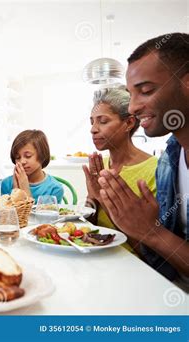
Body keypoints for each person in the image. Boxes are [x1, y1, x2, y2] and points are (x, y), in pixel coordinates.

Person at [97, 33, 189, 287]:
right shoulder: (169, 162)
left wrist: (151, 231)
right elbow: (162, 262)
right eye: (130, 94)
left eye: (146, 91)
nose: (133, 108)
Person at [83, 86, 157, 238]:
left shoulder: (155, 170)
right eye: (92, 122)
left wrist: (103, 200)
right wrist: (92, 200)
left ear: (129, 123)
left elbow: (149, 247)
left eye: (103, 121)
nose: (93, 129)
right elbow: (89, 224)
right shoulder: (100, 164)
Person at [1, 130, 63, 203]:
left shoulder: (55, 188)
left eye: (28, 156)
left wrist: (25, 191)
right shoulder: (7, 184)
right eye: (17, 157)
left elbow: (43, 213)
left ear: (42, 155)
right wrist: (16, 192)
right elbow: (6, 213)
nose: (22, 161)